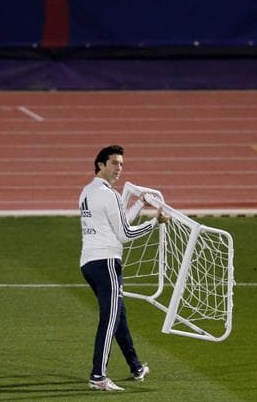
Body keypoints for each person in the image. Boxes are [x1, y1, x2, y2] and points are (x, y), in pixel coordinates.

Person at [79, 144, 164, 392]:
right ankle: (98, 376)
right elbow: (125, 234)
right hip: (106, 263)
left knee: (119, 316)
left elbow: (117, 224)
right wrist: (154, 222)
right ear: (100, 164)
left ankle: (136, 366)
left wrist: (139, 204)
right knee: (110, 319)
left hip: (89, 262)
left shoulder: (87, 192)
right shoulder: (109, 195)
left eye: (122, 164)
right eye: (115, 163)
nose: (119, 169)